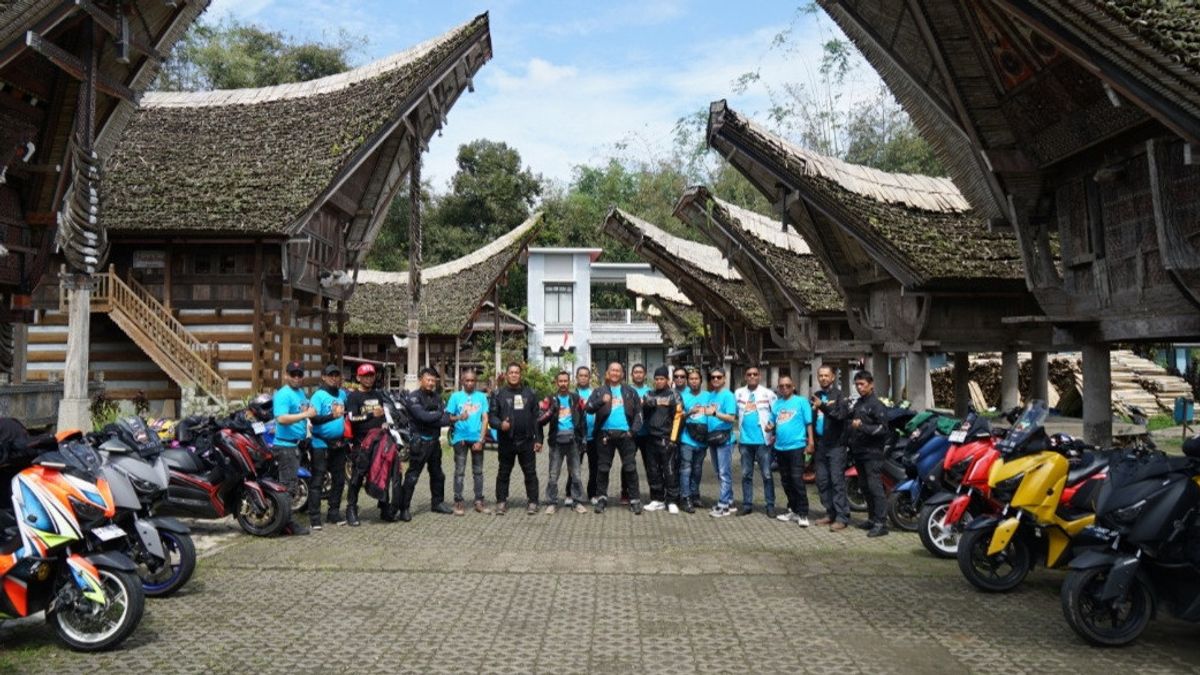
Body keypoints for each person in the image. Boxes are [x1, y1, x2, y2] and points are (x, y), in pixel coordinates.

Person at [585, 362, 644, 514]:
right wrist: (601, 401)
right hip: (605, 435)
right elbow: (589, 408)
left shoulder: (630, 392)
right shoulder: (599, 391)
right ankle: (602, 498)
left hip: (626, 436)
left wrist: (633, 431)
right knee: (603, 468)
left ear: (622, 374)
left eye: (618, 370)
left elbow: (639, 414)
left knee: (630, 468)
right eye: (612, 370)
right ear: (607, 373)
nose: (615, 373)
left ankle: (635, 499)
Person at [397, 367, 451, 522]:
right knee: (412, 476)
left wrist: (435, 416)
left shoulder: (437, 397)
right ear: (421, 379)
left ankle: (438, 503)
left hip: (434, 443)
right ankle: (404, 508)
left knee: (438, 474)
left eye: (433, 380)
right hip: (419, 442)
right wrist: (438, 415)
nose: (431, 382)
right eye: (428, 379)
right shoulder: (414, 397)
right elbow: (422, 416)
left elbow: (445, 419)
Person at [489, 363, 543, 515]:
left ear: (521, 375)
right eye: (511, 372)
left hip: (526, 441)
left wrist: (539, 439)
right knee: (503, 472)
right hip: (507, 441)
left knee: (530, 472)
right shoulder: (498, 394)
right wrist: (500, 425)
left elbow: (536, 419)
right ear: (506, 375)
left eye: (516, 372)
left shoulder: (530, 393)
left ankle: (533, 501)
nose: (514, 375)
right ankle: (501, 501)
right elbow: (491, 417)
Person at [846, 370, 891, 537]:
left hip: (873, 454)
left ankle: (881, 523)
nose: (859, 387)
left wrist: (862, 427)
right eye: (857, 384)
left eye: (862, 384)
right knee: (864, 487)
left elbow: (883, 429)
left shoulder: (877, 405)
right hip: (859, 452)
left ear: (871, 385)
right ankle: (872, 519)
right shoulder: (859, 403)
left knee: (875, 487)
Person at [273, 360, 314, 535]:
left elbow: (303, 413)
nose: (297, 378)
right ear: (285, 375)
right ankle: (286, 523)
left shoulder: (300, 393)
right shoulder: (283, 394)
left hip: (297, 445)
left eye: (299, 374)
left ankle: (283, 520)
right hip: (285, 446)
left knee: (292, 485)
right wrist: (305, 414)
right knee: (287, 487)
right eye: (293, 374)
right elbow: (281, 418)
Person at [344, 363, 388, 526]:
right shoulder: (353, 397)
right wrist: (370, 414)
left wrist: (385, 427)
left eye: (371, 375)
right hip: (361, 443)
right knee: (357, 476)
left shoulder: (378, 394)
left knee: (383, 473)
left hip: (379, 440)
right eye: (365, 376)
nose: (369, 378)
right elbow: (352, 418)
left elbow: (382, 416)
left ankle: (384, 506)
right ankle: (351, 509)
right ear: (358, 378)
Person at [307, 363, 349, 529]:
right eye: (330, 375)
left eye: (336, 375)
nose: (333, 378)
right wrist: (332, 415)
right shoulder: (318, 396)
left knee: (339, 480)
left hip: (338, 443)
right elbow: (313, 419)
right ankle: (315, 517)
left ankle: (333, 513)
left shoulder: (342, 395)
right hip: (320, 443)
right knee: (318, 480)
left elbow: (348, 414)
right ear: (323, 377)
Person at [769, 375, 813, 527]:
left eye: (787, 385)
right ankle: (793, 509)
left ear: (793, 386)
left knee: (797, 480)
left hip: (796, 447)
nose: (784, 388)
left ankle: (803, 513)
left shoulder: (801, 402)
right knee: (786, 481)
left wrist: (811, 442)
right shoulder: (776, 404)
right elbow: (773, 422)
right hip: (780, 448)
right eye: (781, 386)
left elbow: (808, 423)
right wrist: (770, 427)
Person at [811, 365, 851, 531]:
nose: (823, 378)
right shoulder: (816, 396)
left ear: (833, 377)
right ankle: (830, 512)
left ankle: (842, 517)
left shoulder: (840, 396)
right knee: (822, 481)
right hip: (820, 445)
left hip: (836, 446)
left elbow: (840, 416)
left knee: (837, 482)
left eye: (826, 376)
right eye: (820, 376)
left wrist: (824, 406)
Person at [735, 366, 777, 517]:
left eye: (755, 374)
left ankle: (770, 505)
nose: (752, 376)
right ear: (745, 376)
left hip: (763, 442)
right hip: (745, 442)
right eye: (749, 374)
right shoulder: (738, 393)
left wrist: (773, 427)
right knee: (746, 474)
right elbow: (734, 414)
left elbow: (776, 412)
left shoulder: (768, 393)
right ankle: (747, 505)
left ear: (759, 376)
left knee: (766, 475)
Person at [446, 368, 490, 515]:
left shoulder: (482, 397)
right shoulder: (455, 397)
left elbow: (485, 418)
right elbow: (448, 417)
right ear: (462, 381)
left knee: (478, 472)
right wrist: (459, 418)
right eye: (467, 380)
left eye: (472, 380)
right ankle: (458, 501)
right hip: (460, 440)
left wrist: (481, 439)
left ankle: (479, 501)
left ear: (475, 382)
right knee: (459, 471)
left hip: (477, 439)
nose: (470, 383)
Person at [543, 371, 586, 514]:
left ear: (570, 382)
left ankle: (577, 501)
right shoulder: (551, 399)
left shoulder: (575, 398)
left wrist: (583, 438)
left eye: (565, 381)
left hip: (573, 441)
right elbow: (540, 419)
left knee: (576, 474)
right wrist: (550, 410)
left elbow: (583, 419)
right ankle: (551, 502)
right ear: (556, 383)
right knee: (553, 475)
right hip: (556, 442)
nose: (563, 384)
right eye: (560, 381)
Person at [641, 366, 682, 513]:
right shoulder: (648, 395)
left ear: (667, 380)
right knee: (653, 470)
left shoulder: (674, 396)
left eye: (661, 379)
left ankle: (672, 500)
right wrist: (646, 405)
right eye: (657, 379)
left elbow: (678, 418)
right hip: (650, 438)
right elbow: (642, 415)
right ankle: (657, 499)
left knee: (670, 470)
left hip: (667, 439)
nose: (659, 381)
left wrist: (673, 440)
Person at [705, 368, 738, 518]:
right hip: (713, 438)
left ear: (724, 379)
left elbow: (732, 418)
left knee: (724, 473)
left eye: (719, 377)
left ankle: (723, 505)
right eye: (713, 377)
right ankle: (730, 501)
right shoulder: (711, 395)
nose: (716, 380)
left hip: (725, 439)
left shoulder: (728, 396)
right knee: (719, 472)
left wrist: (715, 413)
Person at [678, 369, 709, 513]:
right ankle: (685, 497)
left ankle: (695, 494)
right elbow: (677, 417)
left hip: (702, 439)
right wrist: (689, 412)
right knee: (686, 469)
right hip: (687, 439)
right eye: (691, 379)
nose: (694, 381)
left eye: (696, 378)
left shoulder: (708, 396)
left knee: (697, 469)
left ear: (701, 381)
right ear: (687, 381)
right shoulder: (682, 396)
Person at [627, 363, 652, 505]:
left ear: (645, 374)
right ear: (632, 375)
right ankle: (626, 493)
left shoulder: (650, 392)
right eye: (635, 372)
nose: (638, 374)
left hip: (647, 434)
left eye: (641, 372)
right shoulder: (627, 391)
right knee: (628, 464)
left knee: (651, 466)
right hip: (631, 434)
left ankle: (654, 494)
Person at [576, 366, 599, 503]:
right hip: (577, 438)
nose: (583, 378)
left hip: (593, 436)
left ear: (589, 378)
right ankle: (571, 494)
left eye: (586, 375)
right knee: (574, 467)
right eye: (581, 375)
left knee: (594, 467)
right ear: (577, 377)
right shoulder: (573, 394)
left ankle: (593, 494)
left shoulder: (594, 393)